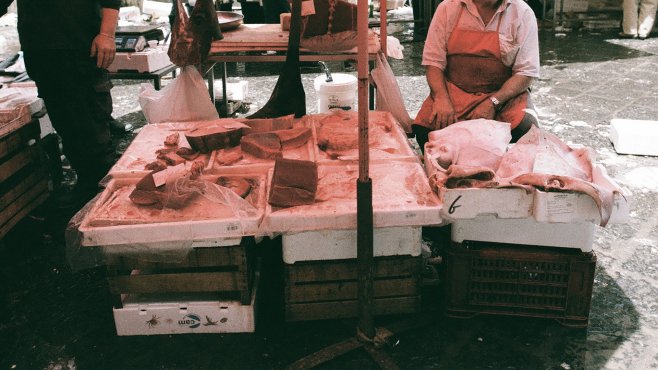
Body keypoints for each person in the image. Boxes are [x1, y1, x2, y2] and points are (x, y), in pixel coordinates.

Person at [0, 0, 121, 208]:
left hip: (80, 47)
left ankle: (107, 200)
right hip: (40, 51)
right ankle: (87, 188)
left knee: (91, 129)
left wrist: (107, 34)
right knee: (66, 125)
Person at [413, 0, 540, 151]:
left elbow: (526, 73)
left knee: (526, 131)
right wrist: (441, 97)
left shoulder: (522, 13)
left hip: (503, 96)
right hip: (454, 93)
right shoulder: (448, 8)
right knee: (425, 133)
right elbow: (433, 63)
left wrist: (493, 102)